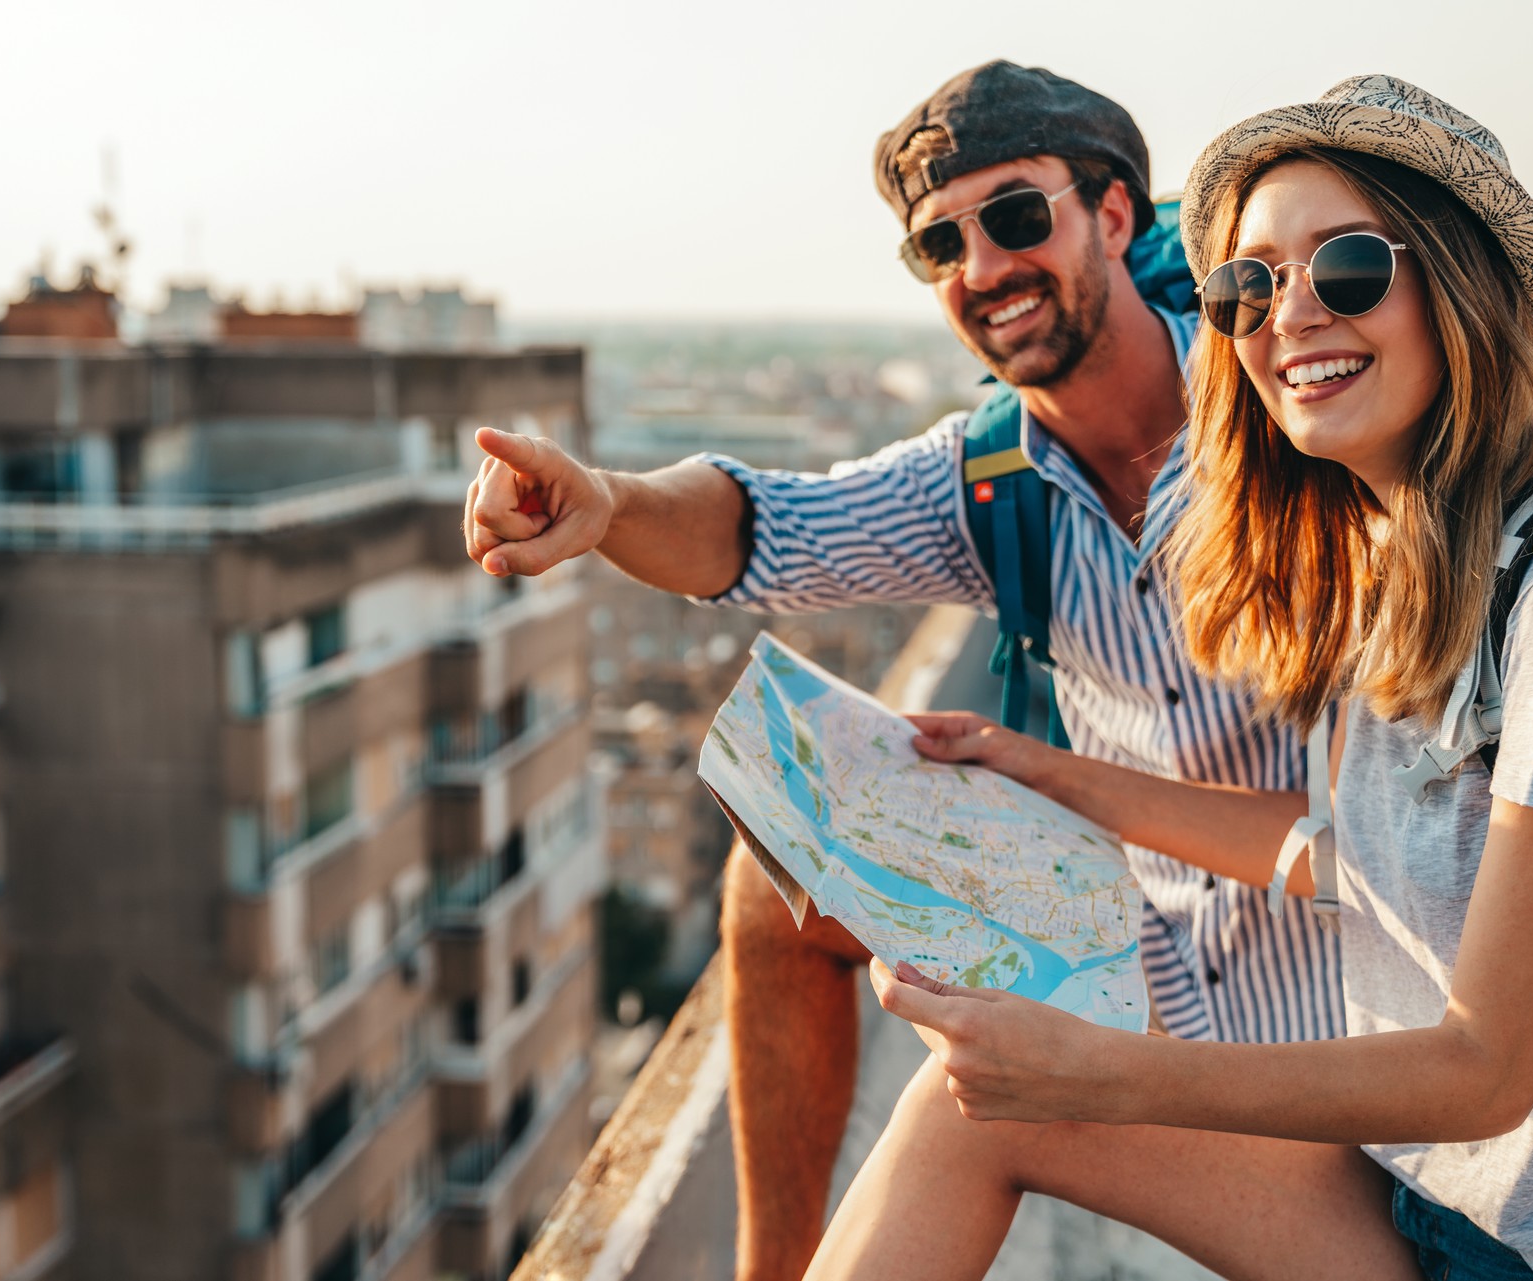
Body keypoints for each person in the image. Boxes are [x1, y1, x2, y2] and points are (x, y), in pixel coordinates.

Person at [806, 75, 1533, 1281]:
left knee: (1019, 1098)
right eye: (1247, 286)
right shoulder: (1408, 563)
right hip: (1432, 1210)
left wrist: (1099, 1068)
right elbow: (1344, 856)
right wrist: (1048, 775)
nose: (1290, 315)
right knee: (964, 1113)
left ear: (1460, 286)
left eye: (1350, 269)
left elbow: (1485, 1070)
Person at [462, 61, 1344, 1280]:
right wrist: (607, 502)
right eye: (941, 244)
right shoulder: (990, 478)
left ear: (1118, 215)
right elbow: (765, 529)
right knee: (777, 874)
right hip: (1139, 956)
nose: (982, 269)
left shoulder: (1285, 408)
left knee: (955, 1123)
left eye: (1018, 218)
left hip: (1335, 1029)